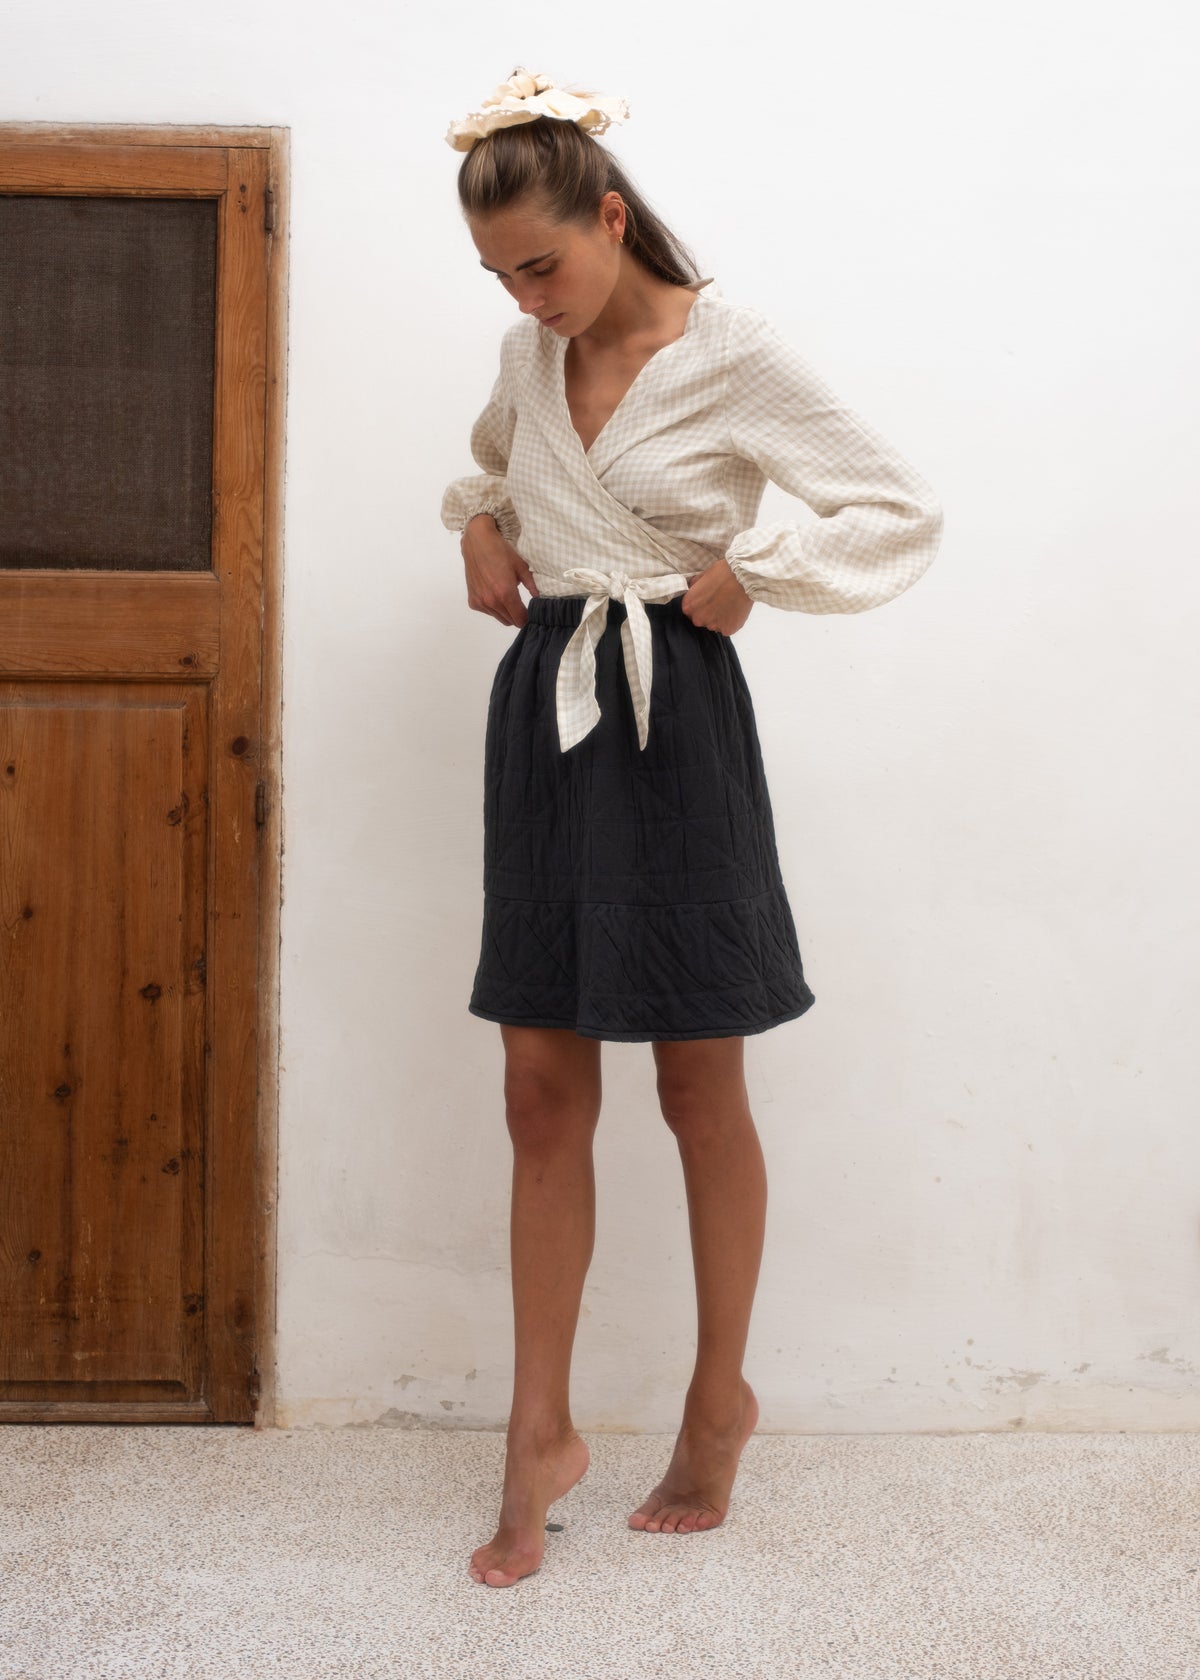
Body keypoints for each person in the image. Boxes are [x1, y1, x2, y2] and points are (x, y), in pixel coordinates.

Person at [440, 68, 944, 1589]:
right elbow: (493, 463)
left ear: (612, 218)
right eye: (500, 277)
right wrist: (481, 524)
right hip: (548, 711)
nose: (527, 300)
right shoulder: (528, 354)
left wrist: (760, 570)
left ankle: (720, 1399)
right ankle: (538, 1430)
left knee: (695, 1081)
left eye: (543, 265)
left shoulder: (734, 352)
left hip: (677, 720)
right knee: (538, 1089)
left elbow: (895, 506)